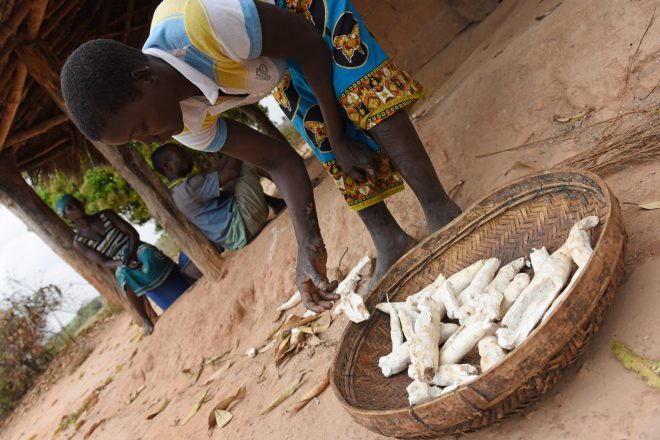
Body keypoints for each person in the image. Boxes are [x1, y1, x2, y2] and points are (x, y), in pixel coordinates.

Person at [60, 0, 461, 313]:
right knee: (317, 128)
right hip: (271, 57)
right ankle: (388, 237)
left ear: (145, 79)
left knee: (358, 85)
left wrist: (342, 136)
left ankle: (439, 208)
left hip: (296, 14)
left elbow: (306, 40)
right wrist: (309, 244)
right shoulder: (185, 124)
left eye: (140, 129)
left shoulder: (200, 27)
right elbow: (278, 162)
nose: (149, 142)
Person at [56, 194, 190, 335]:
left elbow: (132, 233)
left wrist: (131, 253)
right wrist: (124, 262)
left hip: (134, 246)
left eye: (75, 202)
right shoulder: (79, 242)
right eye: (69, 208)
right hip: (117, 261)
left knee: (148, 254)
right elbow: (104, 262)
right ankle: (145, 319)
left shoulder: (106, 215)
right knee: (124, 279)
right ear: (66, 217)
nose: (75, 207)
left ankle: (184, 277)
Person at [151, 142, 285, 251]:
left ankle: (276, 203)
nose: (188, 156)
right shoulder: (189, 187)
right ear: (168, 166)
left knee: (231, 184)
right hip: (246, 222)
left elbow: (218, 170)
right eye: (181, 155)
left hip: (234, 238)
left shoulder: (176, 191)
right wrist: (237, 144)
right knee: (245, 160)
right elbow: (231, 172)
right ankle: (290, 193)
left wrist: (228, 147)